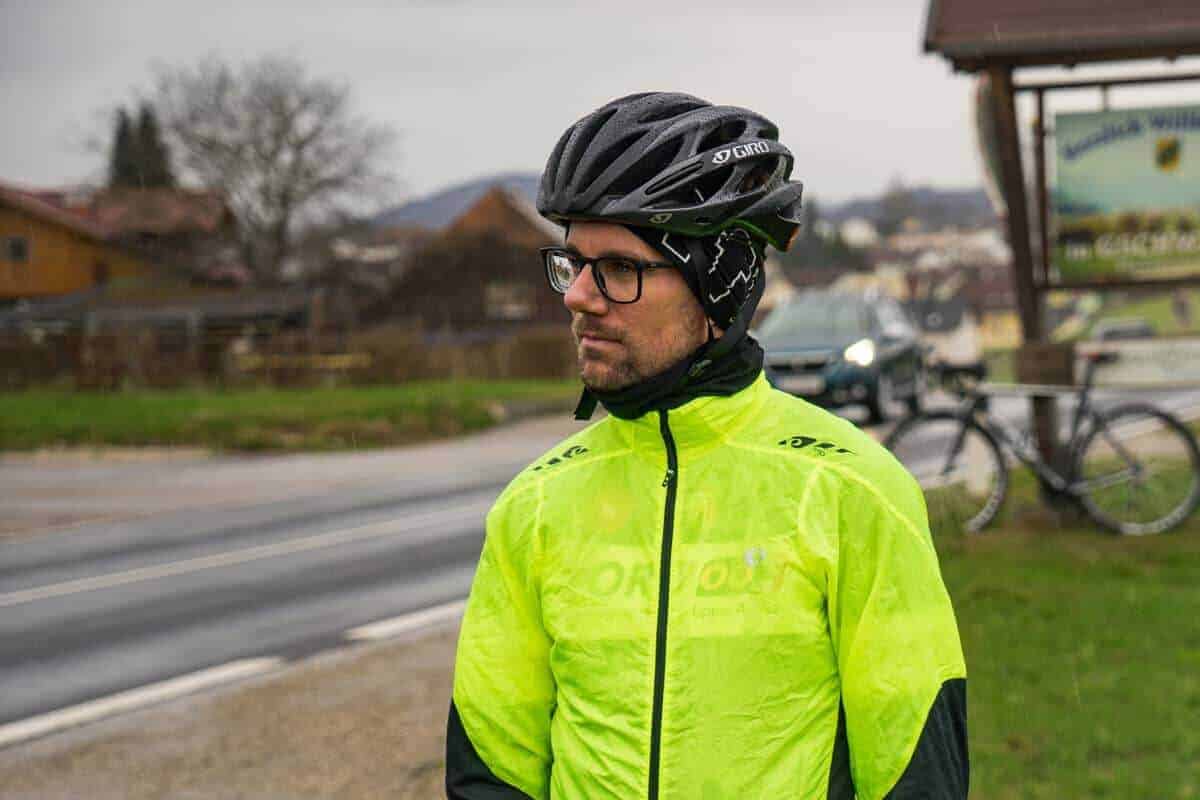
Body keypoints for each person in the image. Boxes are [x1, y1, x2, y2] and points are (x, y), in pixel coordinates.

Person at [446, 92, 967, 799]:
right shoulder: (534, 505)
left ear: (718, 285)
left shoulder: (852, 489)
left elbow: (915, 773)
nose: (579, 297)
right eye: (574, 263)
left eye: (620, 269)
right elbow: (491, 771)